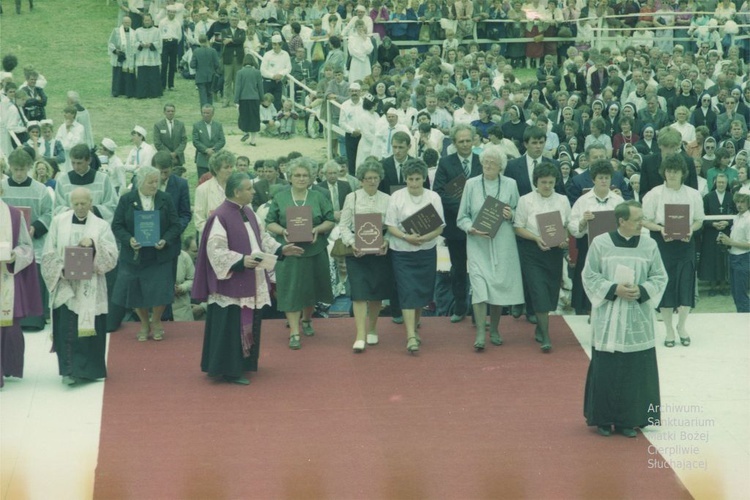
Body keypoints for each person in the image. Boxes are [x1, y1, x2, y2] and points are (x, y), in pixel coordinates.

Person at [193, 173, 303, 384]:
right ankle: (229, 370)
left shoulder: (249, 212)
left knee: (247, 322)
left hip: (252, 278)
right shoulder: (220, 216)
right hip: (232, 281)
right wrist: (241, 260)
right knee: (230, 325)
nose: (253, 192)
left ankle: (244, 364)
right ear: (237, 192)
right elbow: (215, 250)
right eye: (249, 189)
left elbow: (261, 238)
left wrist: (281, 249)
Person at [582, 200, 668, 438]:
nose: (642, 223)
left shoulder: (649, 245)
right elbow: (589, 275)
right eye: (638, 219)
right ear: (622, 221)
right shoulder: (601, 243)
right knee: (606, 366)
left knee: (634, 367)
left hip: (636, 316)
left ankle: (629, 420)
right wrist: (613, 289)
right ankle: (602, 418)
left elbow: (660, 276)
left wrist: (641, 290)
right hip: (609, 314)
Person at [41, 187, 119, 385]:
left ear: (91, 203)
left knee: (88, 331)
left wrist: (93, 245)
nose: (80, 207)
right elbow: (48, 253)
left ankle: (89, 371)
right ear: (70, 204)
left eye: (84, 203)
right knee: (67, 329)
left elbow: (112, 256)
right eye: (76, 203)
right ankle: (69, 371)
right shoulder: (59, 222)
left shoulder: (101, 225)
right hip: (66, 287)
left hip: (90, 286)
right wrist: (62, 270)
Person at [456, 146, 523, 350]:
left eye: (492, 162)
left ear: (500, 166)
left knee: (498, 286)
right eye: (485, 161)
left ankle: (494, 329)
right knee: (479, 286)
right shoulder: (471, 184)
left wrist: (510, 214)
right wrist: (471, 228)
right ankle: (479, 333)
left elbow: (519, 211)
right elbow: (461, 217)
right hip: (477, 242)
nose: (488, 165)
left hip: (503, 242)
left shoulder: (511, 184)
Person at [266, 158, 335, 350]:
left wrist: (317, 230)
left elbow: (330, 220)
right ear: (289, 177)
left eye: (305, 175)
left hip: (314, 250)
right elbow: (270, 221)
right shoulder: (280, 197)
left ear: (312, 177)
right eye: (297, 175)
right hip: (289, 251)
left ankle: (307, 320)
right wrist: (283, 232)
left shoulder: (319, 196)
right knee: (290, 290)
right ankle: (294, 332)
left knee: (310, 289)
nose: (301, 178)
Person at [112, 166, 182, 342]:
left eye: (156, 181)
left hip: (159, 254)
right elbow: (117, 225)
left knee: (161, 290)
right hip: (135, 255)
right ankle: (144, 323)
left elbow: (176, 225)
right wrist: (129, 240)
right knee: (136, 292)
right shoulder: (127, 199)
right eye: (150, 182)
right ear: (140, 182)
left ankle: (156, 320)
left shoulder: (165, 199)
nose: (154, 185)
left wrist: (165, 240)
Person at [642, 154, 705, 348]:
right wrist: (660, 229)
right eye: (669, 171)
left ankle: (682, 327)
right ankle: (669, 329)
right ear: (664, 172)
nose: (672, 174)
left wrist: (690, 230)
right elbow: (645, 220)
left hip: (686, 243)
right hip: (662, 243)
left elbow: (699, 220)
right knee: (666, 287)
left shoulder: (693, 194)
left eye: (675, 171)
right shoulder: (654, 194)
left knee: (685, 284)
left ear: (683, 173)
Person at [385, 158, 445, 353]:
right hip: (401, 251)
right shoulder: (397, 197)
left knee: (422, 292)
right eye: (410, 179)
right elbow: (390, 225)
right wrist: (406, 237)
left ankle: (416, 324)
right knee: (407, 291)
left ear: (424, 179)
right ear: (405, 179)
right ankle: (410, 335)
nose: (413, 183)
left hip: (426, 250)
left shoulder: (433, 196)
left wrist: (423, 238)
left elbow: (440, 226)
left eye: (417, 179)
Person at [513, 162, 571, 352]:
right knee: (538, 290)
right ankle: (546, 335)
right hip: (532, 251)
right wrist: (537, 238)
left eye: (551, 182)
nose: (547, 186)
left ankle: (540, 326)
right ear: (535, 181)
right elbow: (518, 227)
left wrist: (564, 241)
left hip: (554, 252)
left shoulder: (562, 200)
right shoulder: (525, 200)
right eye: (543, 182)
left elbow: (566, 226)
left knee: (551, 291)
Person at [337, 161, 392, 351]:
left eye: (375, 178)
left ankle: (373, 329)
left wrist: (386, 241)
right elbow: (343, 225)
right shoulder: (351, 198)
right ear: (361, 180)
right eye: (368, 178)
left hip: (379, 253)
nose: (372, 181)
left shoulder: (387, 199)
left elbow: (393, 226)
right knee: (359, 294)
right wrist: (353, 243)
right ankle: (360, 335)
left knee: (376, 293)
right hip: (357, 253)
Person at [433, 124, 482, 322]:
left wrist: (475, 209)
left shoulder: (482, 162)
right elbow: (439, 192)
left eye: (468, 140)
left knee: (480, 269)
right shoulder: (445, 163)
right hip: (455, 228)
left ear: (474, 140)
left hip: (480, 226)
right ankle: (460, 307)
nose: (465, 144)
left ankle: (479, 312)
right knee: (459, 268)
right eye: (460, 141)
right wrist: (465, 207)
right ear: (454, 143)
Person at [1, 149, 53, 331]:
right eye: (15, 169)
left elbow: (49, 212)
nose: (19, 173)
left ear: (30, 168)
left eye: (22, 169)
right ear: (10, 168)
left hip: (32, 243)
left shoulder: (40, 190)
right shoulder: (2, 187)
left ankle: (32, 318)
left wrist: (35, 227)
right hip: (5, 244)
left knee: (31, 279)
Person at [567, 160, 625, 316]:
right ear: (593, 179)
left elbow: (626, 225)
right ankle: (587, 312)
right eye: (600, 178)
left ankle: (610, 312)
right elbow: (573, 228)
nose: (604, 181)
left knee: (610, 281)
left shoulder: (618, 201)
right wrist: (583, 221)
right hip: (589, 247)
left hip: (613, 250)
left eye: (607, 177)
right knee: (588, 280)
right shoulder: (583, 201)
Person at [0, 182, 42, 389]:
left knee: (9, 327)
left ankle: (6, 368)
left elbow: (27, 247)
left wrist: (15, 254)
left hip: (6, 277)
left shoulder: (14, 215)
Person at [53, 144, 118, 223]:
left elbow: (111, 206)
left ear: (89, 160)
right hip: (71, 225)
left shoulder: (103, 179)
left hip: (96, 226)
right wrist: (70, 210)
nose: (76, 167)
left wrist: (93, 209)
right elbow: (57, 207)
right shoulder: (63, 180)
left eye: (79, 163)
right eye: (73, 163)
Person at [699, 173, 735, 296]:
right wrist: (713, 223)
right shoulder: (708, 197)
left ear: (726, 183)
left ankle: (723, 286)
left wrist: (727, 222)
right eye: (718, 182)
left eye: (723, 182)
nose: (720, 184)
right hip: (711, 233)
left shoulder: (731, 197)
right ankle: (713, 287)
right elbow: (702, 216)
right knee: (712, 259)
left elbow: (736, 215)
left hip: (726, 232)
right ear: (715, 183)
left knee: (723, 258)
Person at [718, 192, 750, 313]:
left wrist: (730, 242)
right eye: (738, 202)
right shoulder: (736, 218)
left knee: (741, 294)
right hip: (733, 257)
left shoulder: (748, 220)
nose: (739, 205)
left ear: (748, 204)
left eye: (743, 202)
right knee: (735, 293)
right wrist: (724, 240)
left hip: (743, 258)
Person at [195, 150, 235, 239]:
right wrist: (219, 234)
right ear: (216, 169)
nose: (230, 170)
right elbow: (199, 221)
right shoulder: (202, 190)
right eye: (226, 167)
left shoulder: (237, 187)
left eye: (231, 167)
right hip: (211, 239)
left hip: (234, 238)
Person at [234, 54, 264, 147]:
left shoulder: (240, 73)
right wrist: (262, 98)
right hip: (254, 98)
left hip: (243, 98)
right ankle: (253, 140)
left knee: (244, 117)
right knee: (254, 118)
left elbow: (238, 87)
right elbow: (260, 87)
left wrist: (236, 99)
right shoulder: (257, 72)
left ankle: (245, 132)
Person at [192, 104, 226, 178]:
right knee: (202, 180)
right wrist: (206, 150)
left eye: (208, 113)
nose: (205, 115)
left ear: (212, 114)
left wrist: (213, 150)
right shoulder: (196, 125)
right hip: (202, 158)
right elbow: (195, 141)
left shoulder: (218, 125)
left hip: (216, 157)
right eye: (203, 113)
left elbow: (222, 140)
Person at [260, 34, 292, 111]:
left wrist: (281, 74)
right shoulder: (267, 54)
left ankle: (276, 119)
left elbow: (288, 68)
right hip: (268, 82)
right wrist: (273, 76)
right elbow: (262, 70)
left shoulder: (285, 54)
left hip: (279, 82)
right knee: (265, 102)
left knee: (277, 102)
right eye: (273, 44)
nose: (274, 46)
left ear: (280, 44)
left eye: (275, 44)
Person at [109, 16, 138, 98]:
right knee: (118, 75)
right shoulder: (116, 31)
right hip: (120, 56)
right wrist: (116, 51)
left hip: (130, 58)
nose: (127, 24)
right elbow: (111, 42)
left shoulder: (134, 32)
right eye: (125, 22)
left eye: (129, 23)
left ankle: (128, 92)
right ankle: (116, 91)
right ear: (122, 23)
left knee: (128, 75)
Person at [220, 15, 246, 107]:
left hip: (238, 58)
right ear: (230, 21)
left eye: (236, 20)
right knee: (227, 80)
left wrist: (231, 40)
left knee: (237, 80)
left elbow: (241, 40)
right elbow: (224, 42)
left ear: (238, 21)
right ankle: (226, 100)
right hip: (228, 58)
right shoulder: (224, 31)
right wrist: (235, 41)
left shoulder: (242, 31)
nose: (234, 21)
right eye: (233, 20)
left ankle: (236, 100)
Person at [135, 14, 163, 98]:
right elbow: (134, 42)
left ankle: (154, 93)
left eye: (148, 20)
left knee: (153, 76)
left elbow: (159, 42)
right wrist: (141, 44)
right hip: (142, 56)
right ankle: (142, 93)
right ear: (143, 21)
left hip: (152, 56)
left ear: (152, 21)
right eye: (145, 20)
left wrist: (151, 44)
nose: (147, 22)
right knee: (142, 76)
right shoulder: (138, 31)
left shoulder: (156, 31)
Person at [191, 35, 221, 108]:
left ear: (199, 41)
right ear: (207, 40)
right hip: (211, 76)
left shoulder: (196, 51)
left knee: (202, 95)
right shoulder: (213, 51)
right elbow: (217, 64)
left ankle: (204, 110)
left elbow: (192, 65)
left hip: (200, 76)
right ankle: (210, 110)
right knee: (209, 94)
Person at [54, 106, 85, 174]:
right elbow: (57, 141)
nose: (64, 114)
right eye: (64, 112)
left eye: (67, 113)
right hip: (63, 157)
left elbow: (73, 144)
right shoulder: (62, 127)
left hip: (74, 156)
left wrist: (68, 131)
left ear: (73, 114)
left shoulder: (79, 128)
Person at [159, 5, 183, 91]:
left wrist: (174, 42)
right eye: (170, 12)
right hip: (165, 43)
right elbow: (160, 33)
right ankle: (162, 85)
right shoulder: (162, 22)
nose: (172, 14)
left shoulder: (177, 23)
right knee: (164, 64)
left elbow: (179, 35)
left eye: (173, 12)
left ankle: (171, 85)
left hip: (174, 43)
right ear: (167, 12)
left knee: (173, 65)